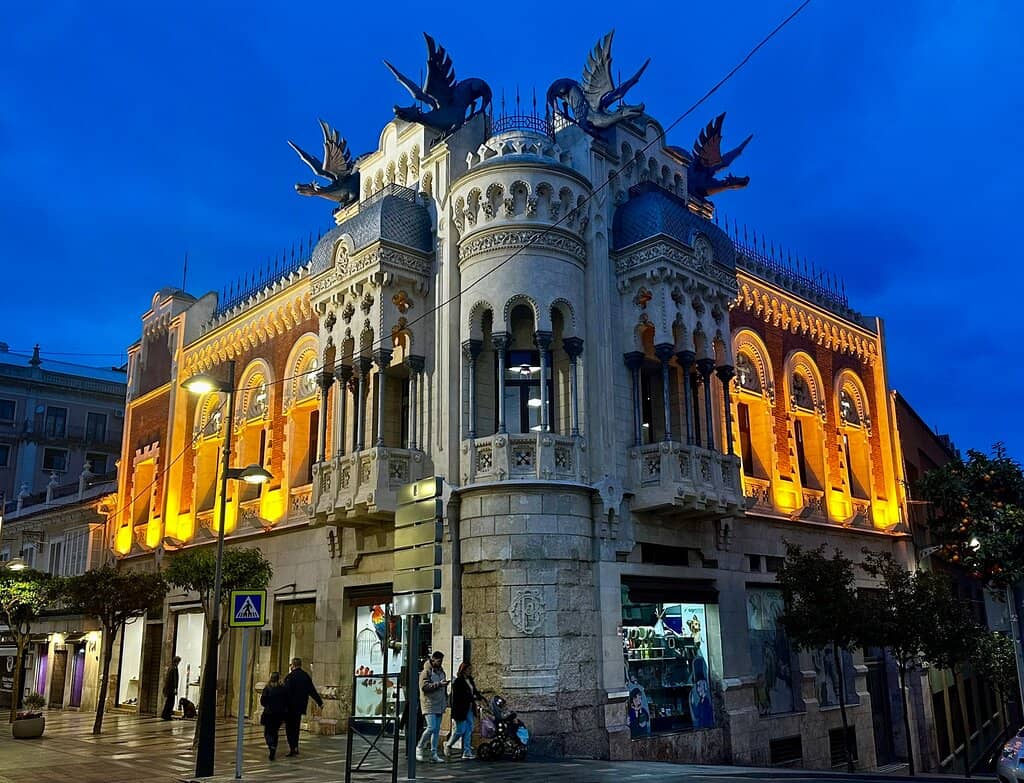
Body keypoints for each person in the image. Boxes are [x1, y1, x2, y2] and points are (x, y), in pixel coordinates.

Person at [283, 657, 323, 756]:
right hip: (300, 706)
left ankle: (292, 747)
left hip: (289, 707)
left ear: (293, 665)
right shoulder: (305, 676)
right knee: (296, 727)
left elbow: (285, 692)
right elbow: (312, 690)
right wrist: (320, 702)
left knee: (289, 728)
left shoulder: (290, 677)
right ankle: (295, 746)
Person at [445, 661, 484, 759]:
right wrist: (471, 697)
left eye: (471, 669)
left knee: (469, 729)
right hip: (460, 709)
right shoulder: (458, 682)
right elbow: (459, 696)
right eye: (469, 669)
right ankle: (448, 744)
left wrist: (479, 696)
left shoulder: (470, 680)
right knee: (460, 730)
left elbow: (473, 691)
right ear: (463, 670)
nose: (470, 671)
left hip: (469, 708)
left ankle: (467, 751)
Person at [416, 651, 449, 763]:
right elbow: (424, 687)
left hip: (439, 703)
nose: (440, 663)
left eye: (441, 661)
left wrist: (445, 694)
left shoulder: (441, 671)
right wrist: (439, 684)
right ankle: (419, 746)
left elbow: (442, 687)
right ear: (433, 659)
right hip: (429, 703)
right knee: (431, 727)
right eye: (438, 661)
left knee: (436, 730)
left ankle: (433, 753)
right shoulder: (426, 672)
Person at [260, 672, 288, 760]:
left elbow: (262, 701)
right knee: (275, 731)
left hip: (269, 713)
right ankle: (274, 747)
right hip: (279, 714)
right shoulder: (282, 689)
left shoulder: (267, 688)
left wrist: (268, 705)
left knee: (267, 732)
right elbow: (286, 701)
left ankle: (271, 745)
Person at [161, 656, 181, 720]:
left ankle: (165, 714)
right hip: (171, 688)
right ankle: (167, 715)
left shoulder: (171, 667)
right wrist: (175, 688)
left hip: (169, 688)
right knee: (170, 702)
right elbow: (174, 679)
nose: (179, 663)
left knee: (168, 701)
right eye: (178, 662)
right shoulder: (174, 668)